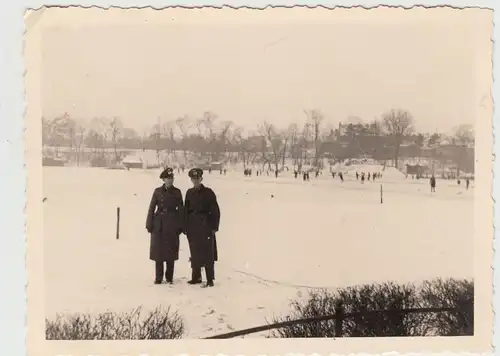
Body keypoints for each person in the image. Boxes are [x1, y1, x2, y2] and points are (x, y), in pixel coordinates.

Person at [145, 167, 184, 285]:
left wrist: (180, 225)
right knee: (159, 252)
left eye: (171, 178)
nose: (170, 180)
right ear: (163, 179)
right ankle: (158, 277)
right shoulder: (157, 191)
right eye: (167, 178)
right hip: (159, 224)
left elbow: (181, 209)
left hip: (172, 224)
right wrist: (149, 223)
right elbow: (152, 208)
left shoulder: (177, 192)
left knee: (171, 251)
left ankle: (169, 277)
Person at [184, 168, 221, 288]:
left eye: (197, 179)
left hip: (206, 226)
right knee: (194, 252)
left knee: (208, 254)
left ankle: (210, 279)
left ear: (201, 179)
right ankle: (196, 277)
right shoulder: (189, 193)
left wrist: (214, 227)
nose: (195, 181)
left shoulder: (208, 192)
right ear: (191, 180)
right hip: (193, 227)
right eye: (193, 179)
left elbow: (215, 211)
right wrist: (185, 227)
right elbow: (186, 211)